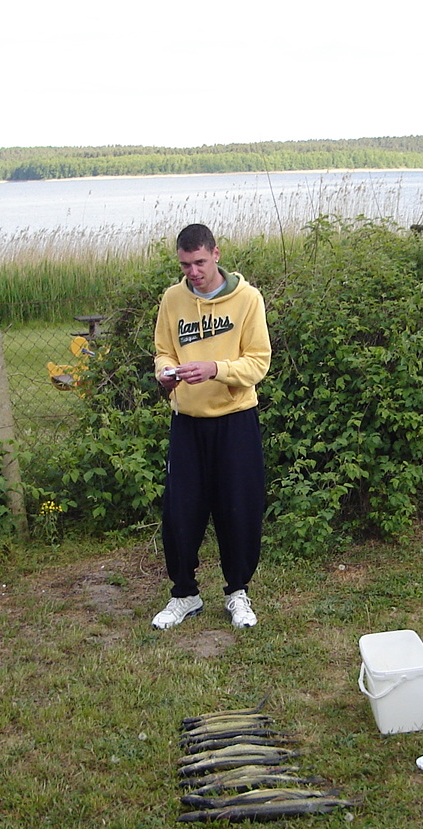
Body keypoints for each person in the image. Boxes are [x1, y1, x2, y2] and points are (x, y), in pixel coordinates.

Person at [151, 223, 271, 630]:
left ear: (216, 254)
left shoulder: (248, 299)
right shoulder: (173, 299)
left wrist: (216, 369)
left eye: (200, 262)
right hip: (187, 422)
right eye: (185, 265)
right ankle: (184, 595)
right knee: (180, 512)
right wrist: (165, 372)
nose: (193, 272)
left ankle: (237, 592)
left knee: (239, 509)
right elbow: (164, 351)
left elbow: (258, 362)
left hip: (236, 420)